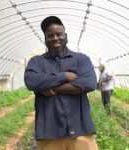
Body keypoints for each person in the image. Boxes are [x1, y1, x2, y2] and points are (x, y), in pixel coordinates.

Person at [24, 16, 98, 150]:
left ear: (66, 36)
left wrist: (53, 89)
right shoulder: (36, 62)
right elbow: (32, 81)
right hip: (50, 134)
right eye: (50, 35)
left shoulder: (81, 59)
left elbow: (89, 83)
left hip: (81, 131)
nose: (55, 38)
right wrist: (65, 75)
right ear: (45, 39)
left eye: (59, 34)